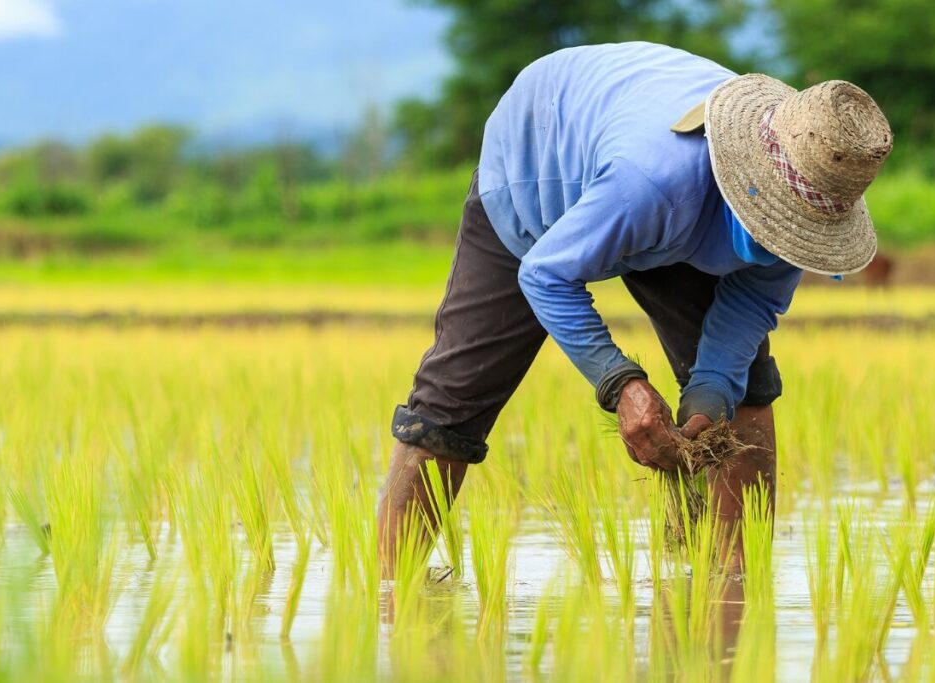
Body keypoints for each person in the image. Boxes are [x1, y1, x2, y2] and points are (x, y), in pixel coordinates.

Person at [377, 42, 893, 574]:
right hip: (541, 161)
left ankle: (734, 583)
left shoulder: (810, 196)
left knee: (744, 390)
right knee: (452, 403)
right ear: (747, 188)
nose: (787, 240)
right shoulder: (654, 182)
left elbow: (754, 299)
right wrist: (620, 383)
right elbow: (546, 273)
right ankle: (391, 589)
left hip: (671, 203)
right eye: (778, 224)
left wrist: (711, 389)